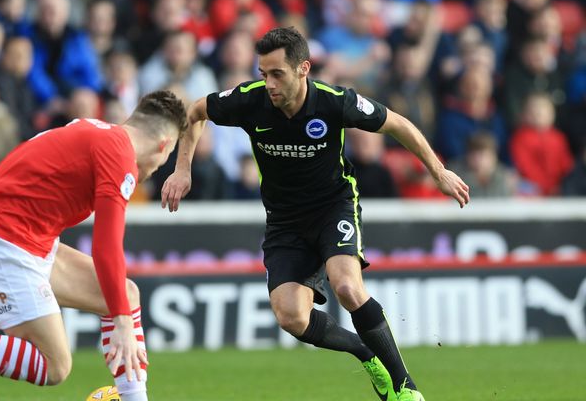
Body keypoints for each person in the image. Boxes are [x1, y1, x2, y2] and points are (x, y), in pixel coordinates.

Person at [161, 27, 470, 401]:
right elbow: (195, 112)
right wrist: (182, 169)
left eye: (277, 74)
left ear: (303, 68)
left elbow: (398, 125)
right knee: (291, 317)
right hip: (284, 220)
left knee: (347, 286)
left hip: (332, 206)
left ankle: (404, 386)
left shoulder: (333, 102)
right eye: (263, 73)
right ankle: (364, 352)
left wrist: (438, 172)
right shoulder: (249, 101)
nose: (269, 83)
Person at [0, 90, 188, 401]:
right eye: (166, 159)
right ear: (164, 145)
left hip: (12, 238)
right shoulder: (119, 157)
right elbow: (107, 246)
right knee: (54, 365)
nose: (158, 167)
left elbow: (13, 176)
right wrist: (122, 322)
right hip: (3, 243)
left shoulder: (92, 130)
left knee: (125, 294)